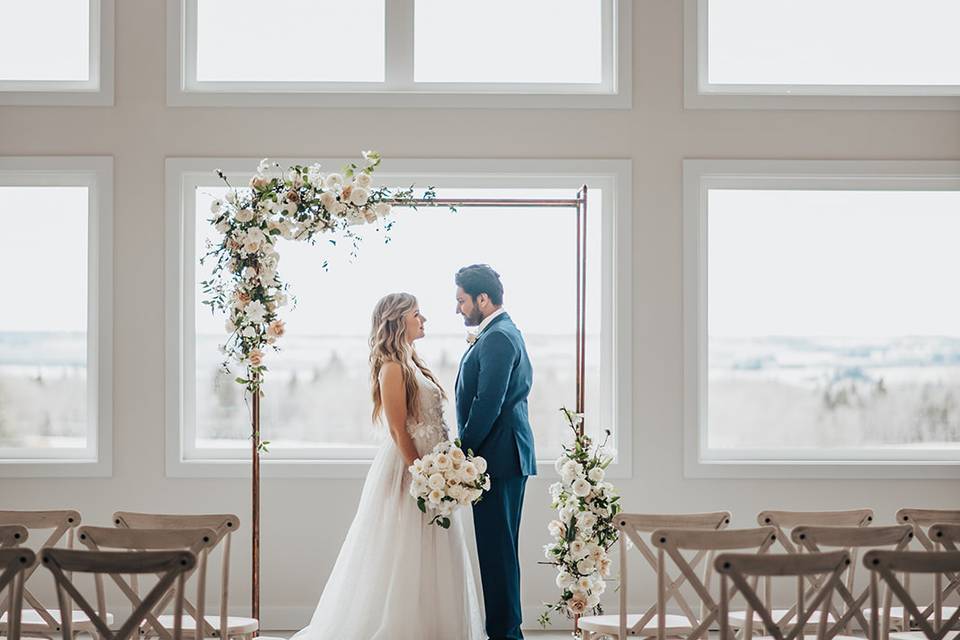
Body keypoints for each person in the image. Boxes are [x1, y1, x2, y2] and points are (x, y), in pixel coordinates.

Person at [291, 292, 485, 640]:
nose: (423, 319)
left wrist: (444, 468)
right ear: (398, 321)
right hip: (411, 472)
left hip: (435, 469)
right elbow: (398, 428)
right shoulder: (392, 368)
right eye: (416, 314)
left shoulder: (412, 362)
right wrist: (423, 476)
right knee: (405, 550)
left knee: (436, 549)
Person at [454, 264, 537, 640]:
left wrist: (463, 454)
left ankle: (506, 635)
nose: (458, 309)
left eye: (462, 300)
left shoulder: (499, 337)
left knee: (498, 552)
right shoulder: (498, 333)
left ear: (483, 300)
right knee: (497, 551)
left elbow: (489, 401)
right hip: (499, 458)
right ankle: (506, 631)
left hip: (498, 459)